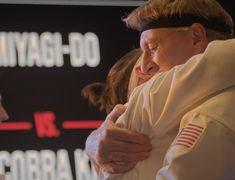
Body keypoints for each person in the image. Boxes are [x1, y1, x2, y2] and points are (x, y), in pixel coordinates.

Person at [86, 0, 235, 179]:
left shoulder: (211, 118)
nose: (144, 66)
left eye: (152, 48)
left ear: (196, 37)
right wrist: (92, 144)